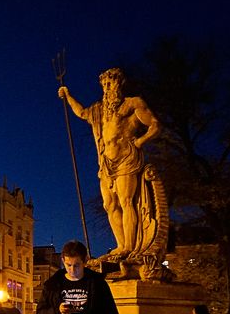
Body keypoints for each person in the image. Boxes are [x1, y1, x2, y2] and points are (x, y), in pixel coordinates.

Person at [59, 68, 162, 259]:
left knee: (126, 201)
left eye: (110, 83)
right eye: (104, 85)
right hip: (106, 163)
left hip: (126, 159)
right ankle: (121, 244)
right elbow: (81, 112)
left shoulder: (132, 104)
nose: (107, 88)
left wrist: (140, 141)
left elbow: (155, 125)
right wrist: (68, 96)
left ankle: (130, 248)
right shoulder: (99, 110)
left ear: (119, 84)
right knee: (109, 204)